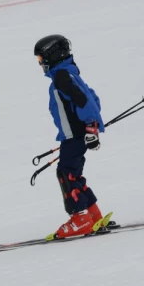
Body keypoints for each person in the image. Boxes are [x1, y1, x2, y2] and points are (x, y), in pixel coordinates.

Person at [33, 34, 111, 240]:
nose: (41, 64)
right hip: (74, 135)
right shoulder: (67, 75)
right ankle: (92, 214)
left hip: (75, 135)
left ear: (54, 55)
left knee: (66, 173)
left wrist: (90, 128)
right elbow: (93, 98)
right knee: (73, 173)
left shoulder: (62, 77)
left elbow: (85, 102)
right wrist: (88, 127)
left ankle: (81, 218)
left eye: (42, 59)